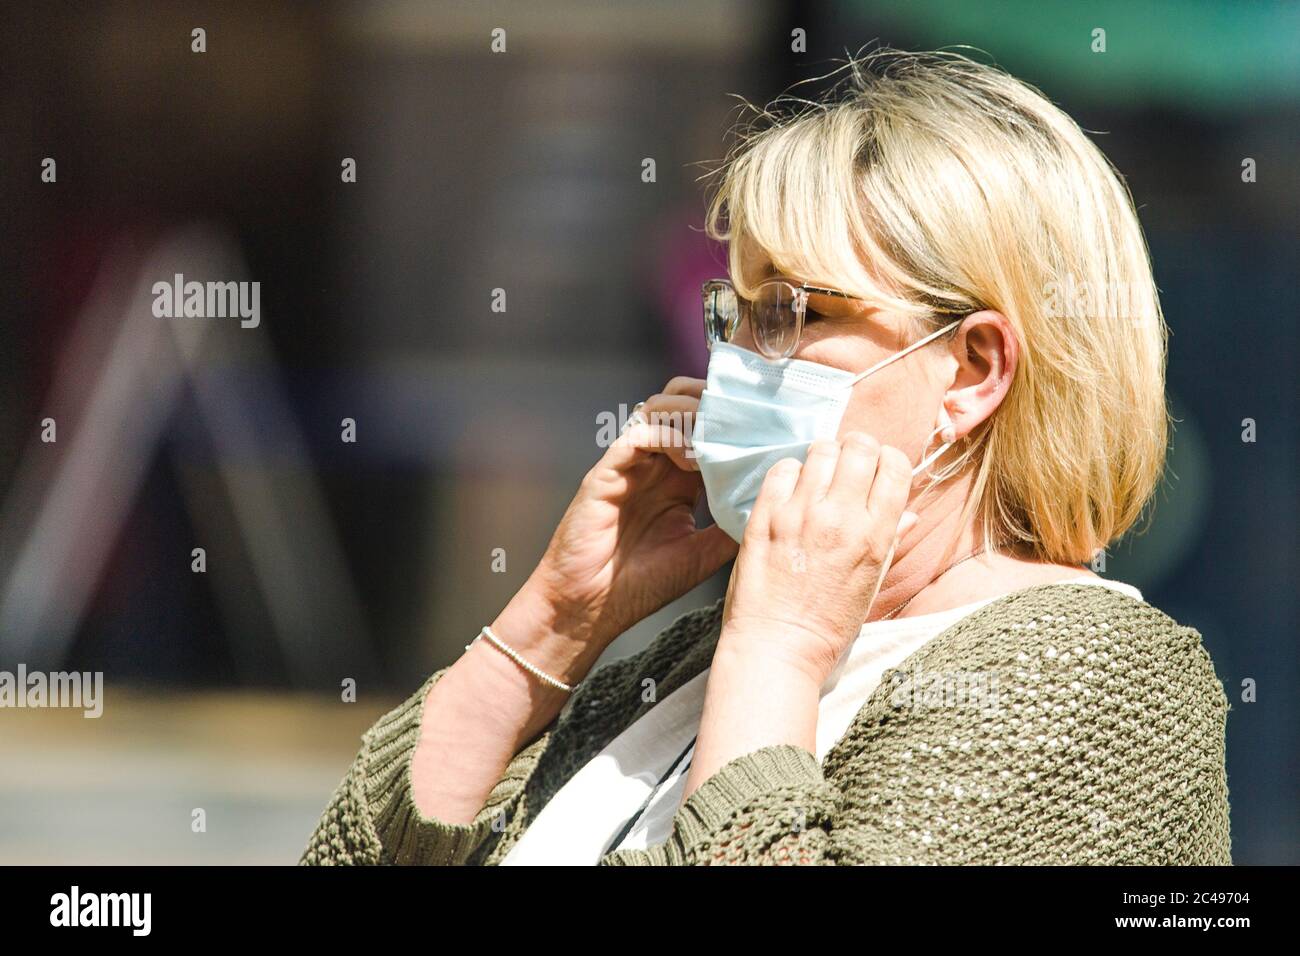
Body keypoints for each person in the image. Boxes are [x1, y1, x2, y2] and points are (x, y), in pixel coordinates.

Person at [302, 49, 1230, 866]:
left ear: (974, 370)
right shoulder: (703, 659)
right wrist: (552, 625)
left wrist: (778, 651)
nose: (739, 358)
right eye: (736, 312)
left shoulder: (1096, 679)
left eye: (799, 311)